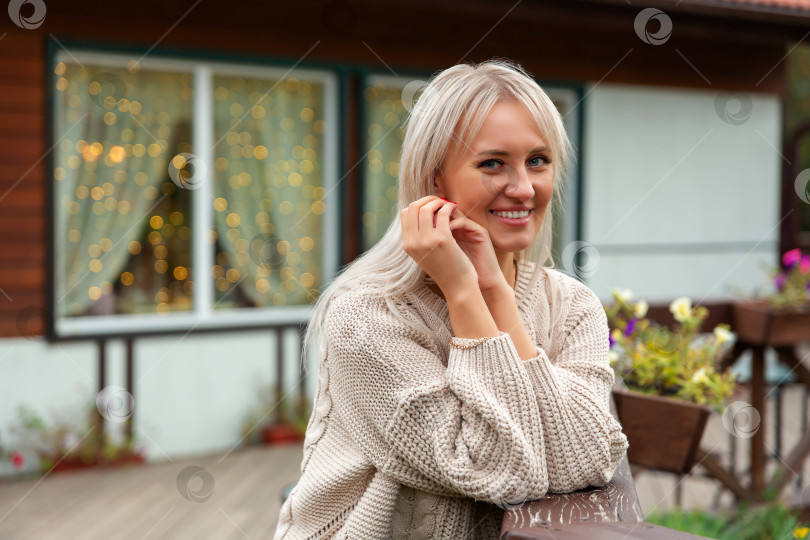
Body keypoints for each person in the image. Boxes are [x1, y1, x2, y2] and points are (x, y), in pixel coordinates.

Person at [273, 58, 629, 540]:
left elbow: (587, 461)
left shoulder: (574, 307)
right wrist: (464, 290)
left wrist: (493, 293)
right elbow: (499, 469)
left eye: (538, 161)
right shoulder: (366, 316)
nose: (523, 188)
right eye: (492, 164)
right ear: (434, 179)